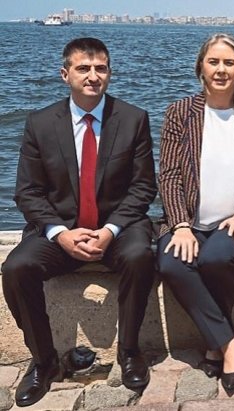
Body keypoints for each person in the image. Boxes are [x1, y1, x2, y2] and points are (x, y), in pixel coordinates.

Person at [1, 37, 157, 407]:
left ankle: (130, 351)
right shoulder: (41, 124)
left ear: (110, 73)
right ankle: (44, 361)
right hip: (60, 231)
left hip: (117, 229)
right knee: (16, 268)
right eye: (83, 68)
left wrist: (109, 231)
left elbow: (143, 187)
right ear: (65, 74)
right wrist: (61, 234)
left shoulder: (132, 119)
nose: (92, 76)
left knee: (141, 256)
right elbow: (28, 192)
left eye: (100, 68)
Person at [157, 33, 234, 393]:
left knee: (215, 257)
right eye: (214, 62)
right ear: (201, 68)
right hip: (188, 223)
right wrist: (180, 225)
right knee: (171, 263)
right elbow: (169, 174)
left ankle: (215, 345)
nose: (221, 70)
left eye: (229, 63)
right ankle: (227, 342)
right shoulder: (180, 113)